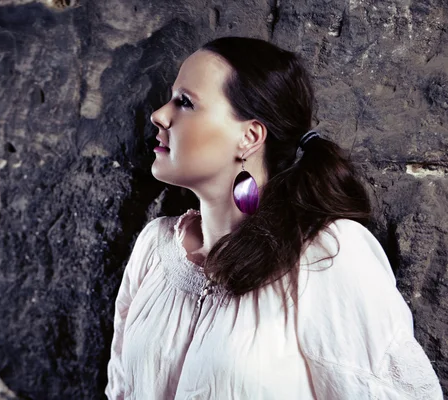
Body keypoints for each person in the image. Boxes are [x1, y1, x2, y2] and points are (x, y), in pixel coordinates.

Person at [105, 37, 443, 399]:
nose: (159, 114)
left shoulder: (327, 255)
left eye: (185, 102)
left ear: (249, 137)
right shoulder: (154, 248)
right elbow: (120, 389)